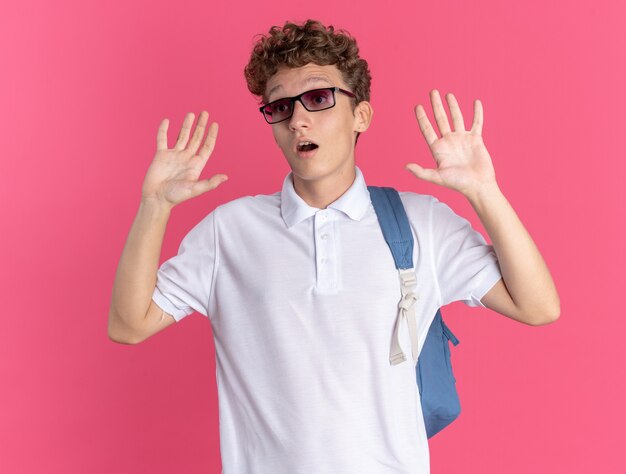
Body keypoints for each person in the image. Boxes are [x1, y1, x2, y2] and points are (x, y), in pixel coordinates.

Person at [108, 19, 559, 474]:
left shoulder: (422, 222)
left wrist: (484, 192)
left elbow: (538, 306)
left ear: (360, 114)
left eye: (318, 98)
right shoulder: (230, 231)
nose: (297, 119)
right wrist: (154, 206)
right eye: (280, 106)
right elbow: (129, 325)